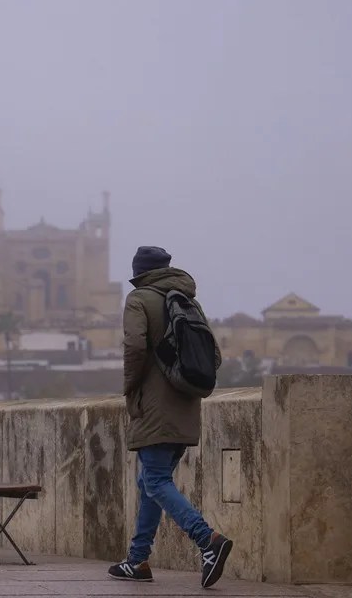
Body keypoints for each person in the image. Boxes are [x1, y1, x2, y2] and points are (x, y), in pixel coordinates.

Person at [108, 246, 232, 588]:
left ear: (139, 273)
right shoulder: (188, 301)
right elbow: (214, 356)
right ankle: (138, 560)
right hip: (186, 405)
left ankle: (208, 540)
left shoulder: (139, 300)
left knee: (156, 480)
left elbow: (134, 346)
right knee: (149, 481)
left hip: (154, 407)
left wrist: (132, 385)